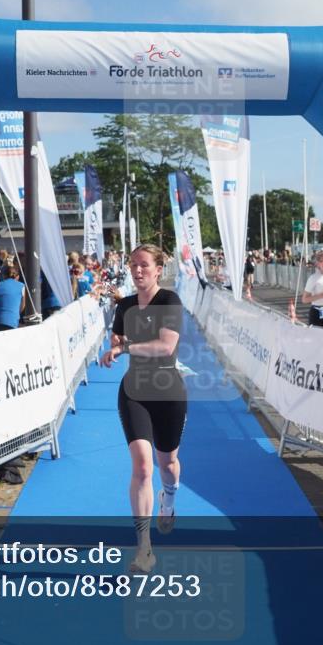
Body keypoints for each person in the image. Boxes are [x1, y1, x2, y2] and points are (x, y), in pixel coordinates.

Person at [100, 244, 185, 574]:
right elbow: (116, 342)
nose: (137, 270)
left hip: (167, 391)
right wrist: (115, 350)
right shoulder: (124, 305)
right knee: (143, 467)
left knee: (169, 463)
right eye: (133, 265)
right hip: (134, 390)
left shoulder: (169, 301)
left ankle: (170, 497)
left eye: (144, 265)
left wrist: (125, 348)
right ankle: (144, 548)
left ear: (157, 269)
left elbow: (166, 345)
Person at [0, 261, 26, 332]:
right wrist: (15, 315)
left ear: (4, 276)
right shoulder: (21, 286)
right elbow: (22, 305)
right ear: (17, 277)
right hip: (10, 322)